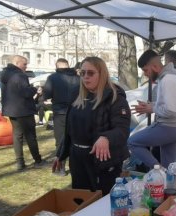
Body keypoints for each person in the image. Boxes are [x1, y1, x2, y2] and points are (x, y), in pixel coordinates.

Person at [53, 56, 131, 196]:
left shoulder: (115, 98)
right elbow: (70, 131)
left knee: (103, 199)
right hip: (78, 159)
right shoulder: (77, 94)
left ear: (102, 74)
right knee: (81, 197)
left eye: (90, 73)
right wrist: (61, 154)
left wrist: (106, 138)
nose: (85, 77)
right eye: (82, 73)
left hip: (103, 161)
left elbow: (122, 129)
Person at [127, 49, 176, 170]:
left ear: (154, 66)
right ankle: (166, 179)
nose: (145, 74)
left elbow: (170, 110)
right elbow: (173, 104)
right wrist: (151, 105)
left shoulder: (168, 80)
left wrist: (152, 108)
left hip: (168, 128)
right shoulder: (170, 78)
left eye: (145, 70)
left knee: (132, 142)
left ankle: (158, 171)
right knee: (169, 169)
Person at [0, 55, 45, 171]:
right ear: (16, 63)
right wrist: (35, 89)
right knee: (30, 136)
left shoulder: (4, 74)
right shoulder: (19, 75)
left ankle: (20, 163)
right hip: (23, 110)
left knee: (17, 136)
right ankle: (38, 160)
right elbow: (26, 93)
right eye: (24, 64)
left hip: (11, 110)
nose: (26, 67)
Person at [43, 58, 80, 175]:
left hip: (60, 112)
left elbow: (47, 94)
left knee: (60, 140)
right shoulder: (78, 78)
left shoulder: (52, 78)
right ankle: (76, 167)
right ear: (68, 65)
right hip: (76, 112)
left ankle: (61, 167)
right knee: (76, 139)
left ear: (57, 66)